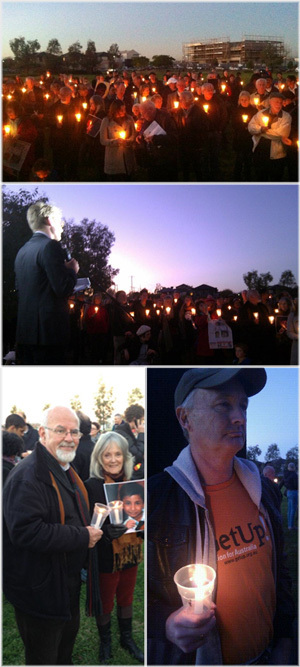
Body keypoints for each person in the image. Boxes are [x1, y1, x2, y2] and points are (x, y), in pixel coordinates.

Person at [148, 368, 295, 665]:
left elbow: (278, 571)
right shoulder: (157, 499)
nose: (239, 416)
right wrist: (165, 624)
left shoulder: (263, 490)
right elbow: (141, 590)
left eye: (242, 405)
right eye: (223, 404)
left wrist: (285, 638)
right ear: (185, 418)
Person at [3, 406, 103, 665]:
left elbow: (72, 513)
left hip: (64, 584)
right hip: (39, 591)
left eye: (74, 432)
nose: (69, 437)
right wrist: (82, 536)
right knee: (43, 656)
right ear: (42, 434)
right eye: (60, 430)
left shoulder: (64, 468)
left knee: (63, 649)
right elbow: (26, 532)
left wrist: (103, 527)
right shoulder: (29, 476)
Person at [85, 432, 144, 663]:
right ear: (99, 457)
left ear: (125, 456)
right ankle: (106, 641)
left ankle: (126, 638)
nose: (112, 459)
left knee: (126, 596)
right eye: (107, 454)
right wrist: (105, 532)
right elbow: (87, 523)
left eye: (117, 454)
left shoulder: (134, 481)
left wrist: (143, 524)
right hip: (106, 553)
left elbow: (141, 514)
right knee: (107, 598)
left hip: (131, 550)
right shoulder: (91, 485)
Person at [14, 201, 79, 365]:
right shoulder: (50, 246)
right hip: (49, 336)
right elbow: (63, 289)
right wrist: (72, 270)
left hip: (25, 334)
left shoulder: (22, 251)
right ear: (49, 220)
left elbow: (23, 288)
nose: (62, 226)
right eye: (60, 221)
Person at [279, 462, 298, 530]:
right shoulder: (294, 475)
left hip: (288, 492)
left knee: (289, 509)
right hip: (294, 492)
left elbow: (281, 483)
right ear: (294, 467)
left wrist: (278, 490)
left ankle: (289, 524)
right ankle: (291, 526)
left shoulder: (285, 474)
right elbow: (296, 485)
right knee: (293, 509)